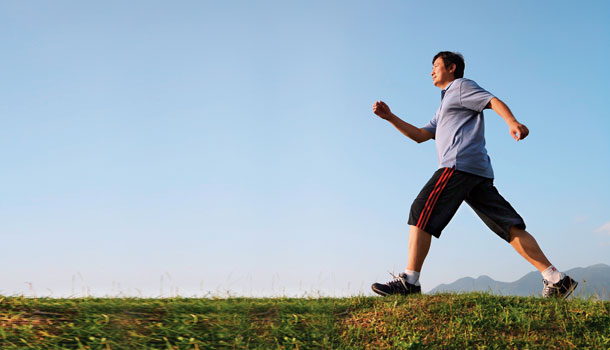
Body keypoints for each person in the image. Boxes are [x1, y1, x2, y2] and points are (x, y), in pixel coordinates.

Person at [370, 51, 578, 299]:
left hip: (458, 165)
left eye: (436, 66)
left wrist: (511, 121)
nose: (431, 71)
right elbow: (420, 135)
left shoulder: (460, 86)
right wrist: (390, 117)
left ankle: (410, 282)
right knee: (508, 226)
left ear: (452, 67)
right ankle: (556, 278)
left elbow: (492, 101)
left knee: (421, 209)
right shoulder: (445, 102)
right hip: (476, 171)